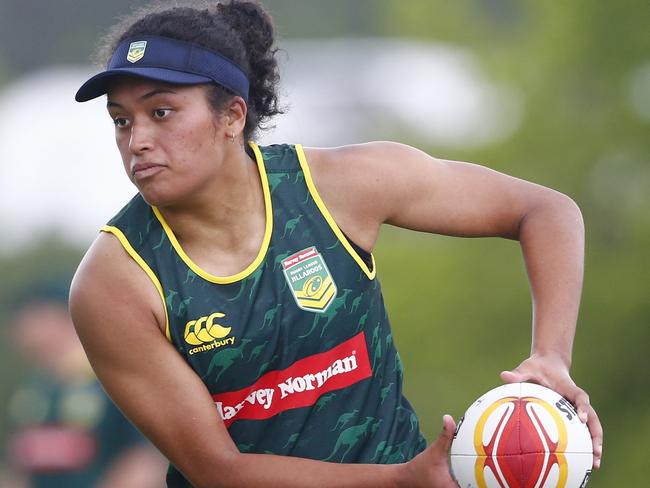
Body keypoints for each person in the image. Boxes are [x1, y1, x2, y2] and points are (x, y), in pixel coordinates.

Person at [69, 1, 603, 486]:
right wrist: (403, 482)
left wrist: (550, 358)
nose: (136, 140)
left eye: (160, 112)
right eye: (121, 120)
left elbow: (546, 211)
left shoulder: (337, 188)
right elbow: (219, 470)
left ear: (232, 115)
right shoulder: (115, 283)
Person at [4, 281, 167, 488]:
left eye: (32, 316)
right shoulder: (32, 390)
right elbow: (18, 464)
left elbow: (147, 459)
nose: (21, 328)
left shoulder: (112, 378)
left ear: (61, 316)